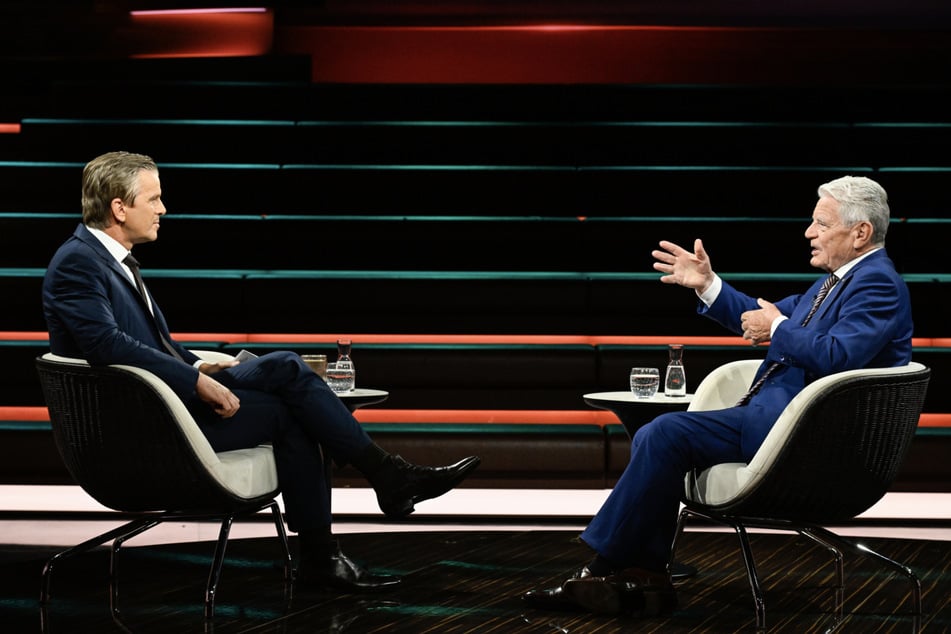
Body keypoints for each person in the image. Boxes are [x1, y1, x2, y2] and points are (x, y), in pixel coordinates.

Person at [42, 151, 481, 592]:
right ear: (119, 208)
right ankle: (343, 532)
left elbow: (154, 345)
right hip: (148, 424)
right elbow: (108, 345)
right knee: (294, 416)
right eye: (154, 199)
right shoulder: (77, 263)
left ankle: (380, 486)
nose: (163, 210)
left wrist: (201, 363)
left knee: (286, 366)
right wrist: (197, 380)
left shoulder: (108, 259)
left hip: (165, 396)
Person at [522, 175, 913, 617]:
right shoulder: (835, 283)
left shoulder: (877, 284)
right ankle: (643, 575)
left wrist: (779, 328)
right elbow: (760, 317)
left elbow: (840, 355)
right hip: (775, 422)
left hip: (809, 438)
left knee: (665, 433)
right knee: (662, 434)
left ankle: (609, 570)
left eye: (821, 224)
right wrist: (706, 285)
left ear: (860, 232)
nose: (809, 233)